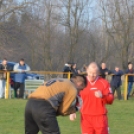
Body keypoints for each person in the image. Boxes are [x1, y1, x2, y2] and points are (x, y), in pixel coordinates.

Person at [75, 62, 114, 134]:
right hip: (85, 117)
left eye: (94, 73)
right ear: (87, 71)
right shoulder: (81, 83)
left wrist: (102, 96)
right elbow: (76, 98)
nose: (92, 75)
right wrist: (72, 111)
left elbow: (111, 99)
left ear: (98, 73)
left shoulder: (104, 83)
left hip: (100, 117)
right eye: (90, 72)